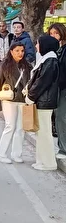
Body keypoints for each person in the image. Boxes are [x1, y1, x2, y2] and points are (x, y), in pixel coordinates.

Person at [25, 35, 60, 171]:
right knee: (40, 133)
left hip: (44, 101)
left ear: (45, 45)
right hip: (41, 100)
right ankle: (41, 161)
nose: (36, 46)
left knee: (44, 133)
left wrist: (30, 96)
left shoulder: (50, 61)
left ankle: (48, 163)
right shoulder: (46, 59)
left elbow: (42, 82)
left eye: (38, 43)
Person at [0, 41, 32, 164]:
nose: (20, 53)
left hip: (23, 99)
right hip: (9, 99)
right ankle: (1, 154)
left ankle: (17, 154)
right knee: (10, 126)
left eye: (22, 51)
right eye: (17, 51)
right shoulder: (4, 65)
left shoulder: (27, 66)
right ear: (11, 51)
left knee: (21, 128)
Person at [48, 23, 66, 157]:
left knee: (61, 117)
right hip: (59, 88)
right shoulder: (58, 49)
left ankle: (63, 149)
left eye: (56, 33)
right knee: (59, 117)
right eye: (51, 33)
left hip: (64, 88)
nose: (53, 36)